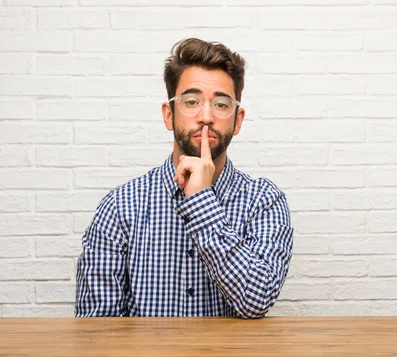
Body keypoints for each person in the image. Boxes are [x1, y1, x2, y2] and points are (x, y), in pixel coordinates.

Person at [75, 38, 294, 319]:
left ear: (237, 120)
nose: (206, 117)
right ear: (169, 115)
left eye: (221, 103)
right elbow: (96, 331)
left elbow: (257, 300)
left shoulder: (263, 201)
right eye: (191, 101)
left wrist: (202, 202)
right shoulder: (120, 206)